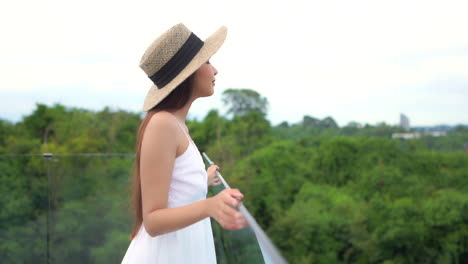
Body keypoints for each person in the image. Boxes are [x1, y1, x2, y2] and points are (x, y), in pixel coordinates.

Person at [121, 24, 247, 264]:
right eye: (207, 61)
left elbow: (173, 188)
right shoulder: (163, 124)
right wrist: (210, 206)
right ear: (189, 73)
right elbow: (154, 221)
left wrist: (201, 179)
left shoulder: (176, 124)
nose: (215, 70)